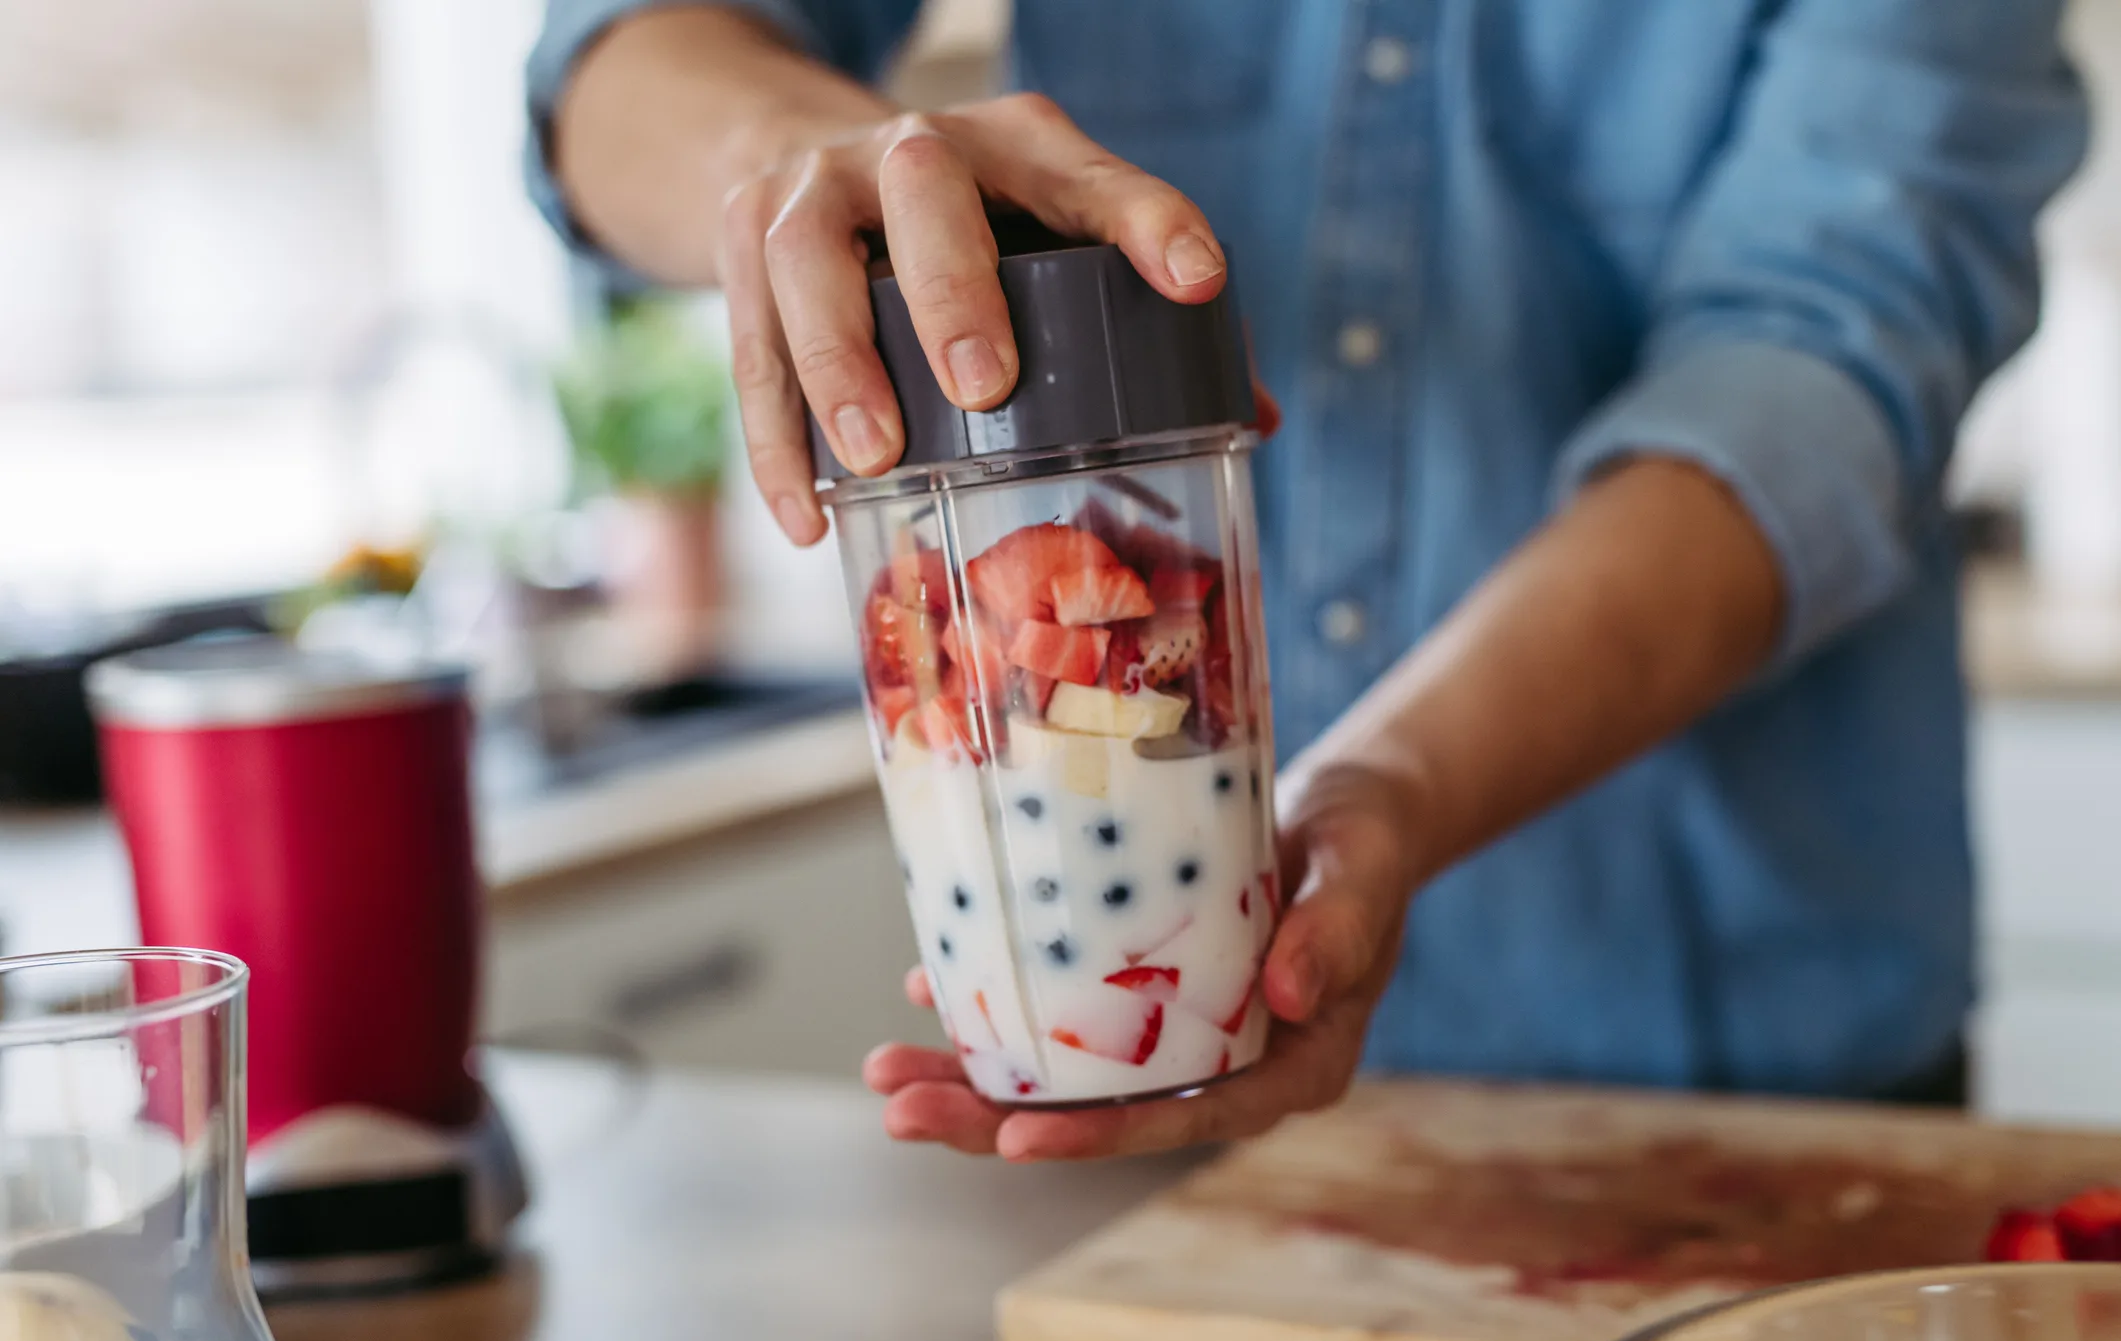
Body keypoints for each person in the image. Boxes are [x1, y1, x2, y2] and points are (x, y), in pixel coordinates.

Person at [525, 2, 2087, 1160]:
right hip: (1139, 1090)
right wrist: (794, 154)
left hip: (1737, 1093)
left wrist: (1392, 784)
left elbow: (1816, 383)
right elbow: (607, 63)